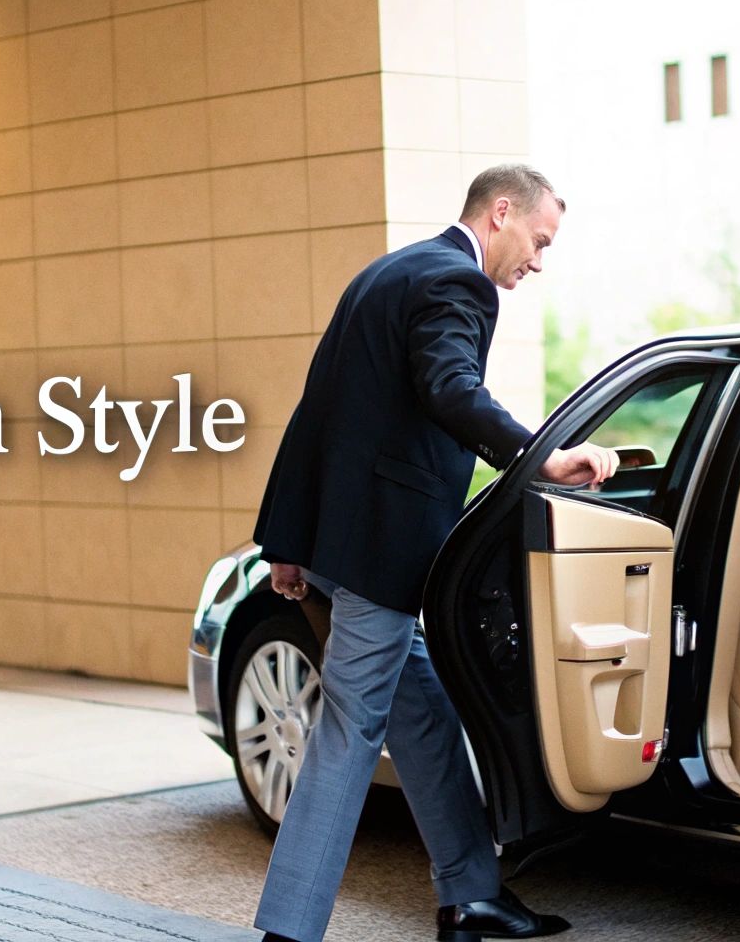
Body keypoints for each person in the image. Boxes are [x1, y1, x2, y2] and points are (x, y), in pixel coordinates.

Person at [251, 164, 617, 942]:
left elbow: (316, 413)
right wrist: (538, 457)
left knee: (423, 718)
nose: (538, 262)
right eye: (539, 242)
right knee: (350, 731)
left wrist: (288, 542)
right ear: (502, 212)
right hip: (383, 552)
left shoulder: (385, 273)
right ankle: (288, 931)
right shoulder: (460, 283)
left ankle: (471, 895)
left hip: (343, 546)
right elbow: (452, 390)